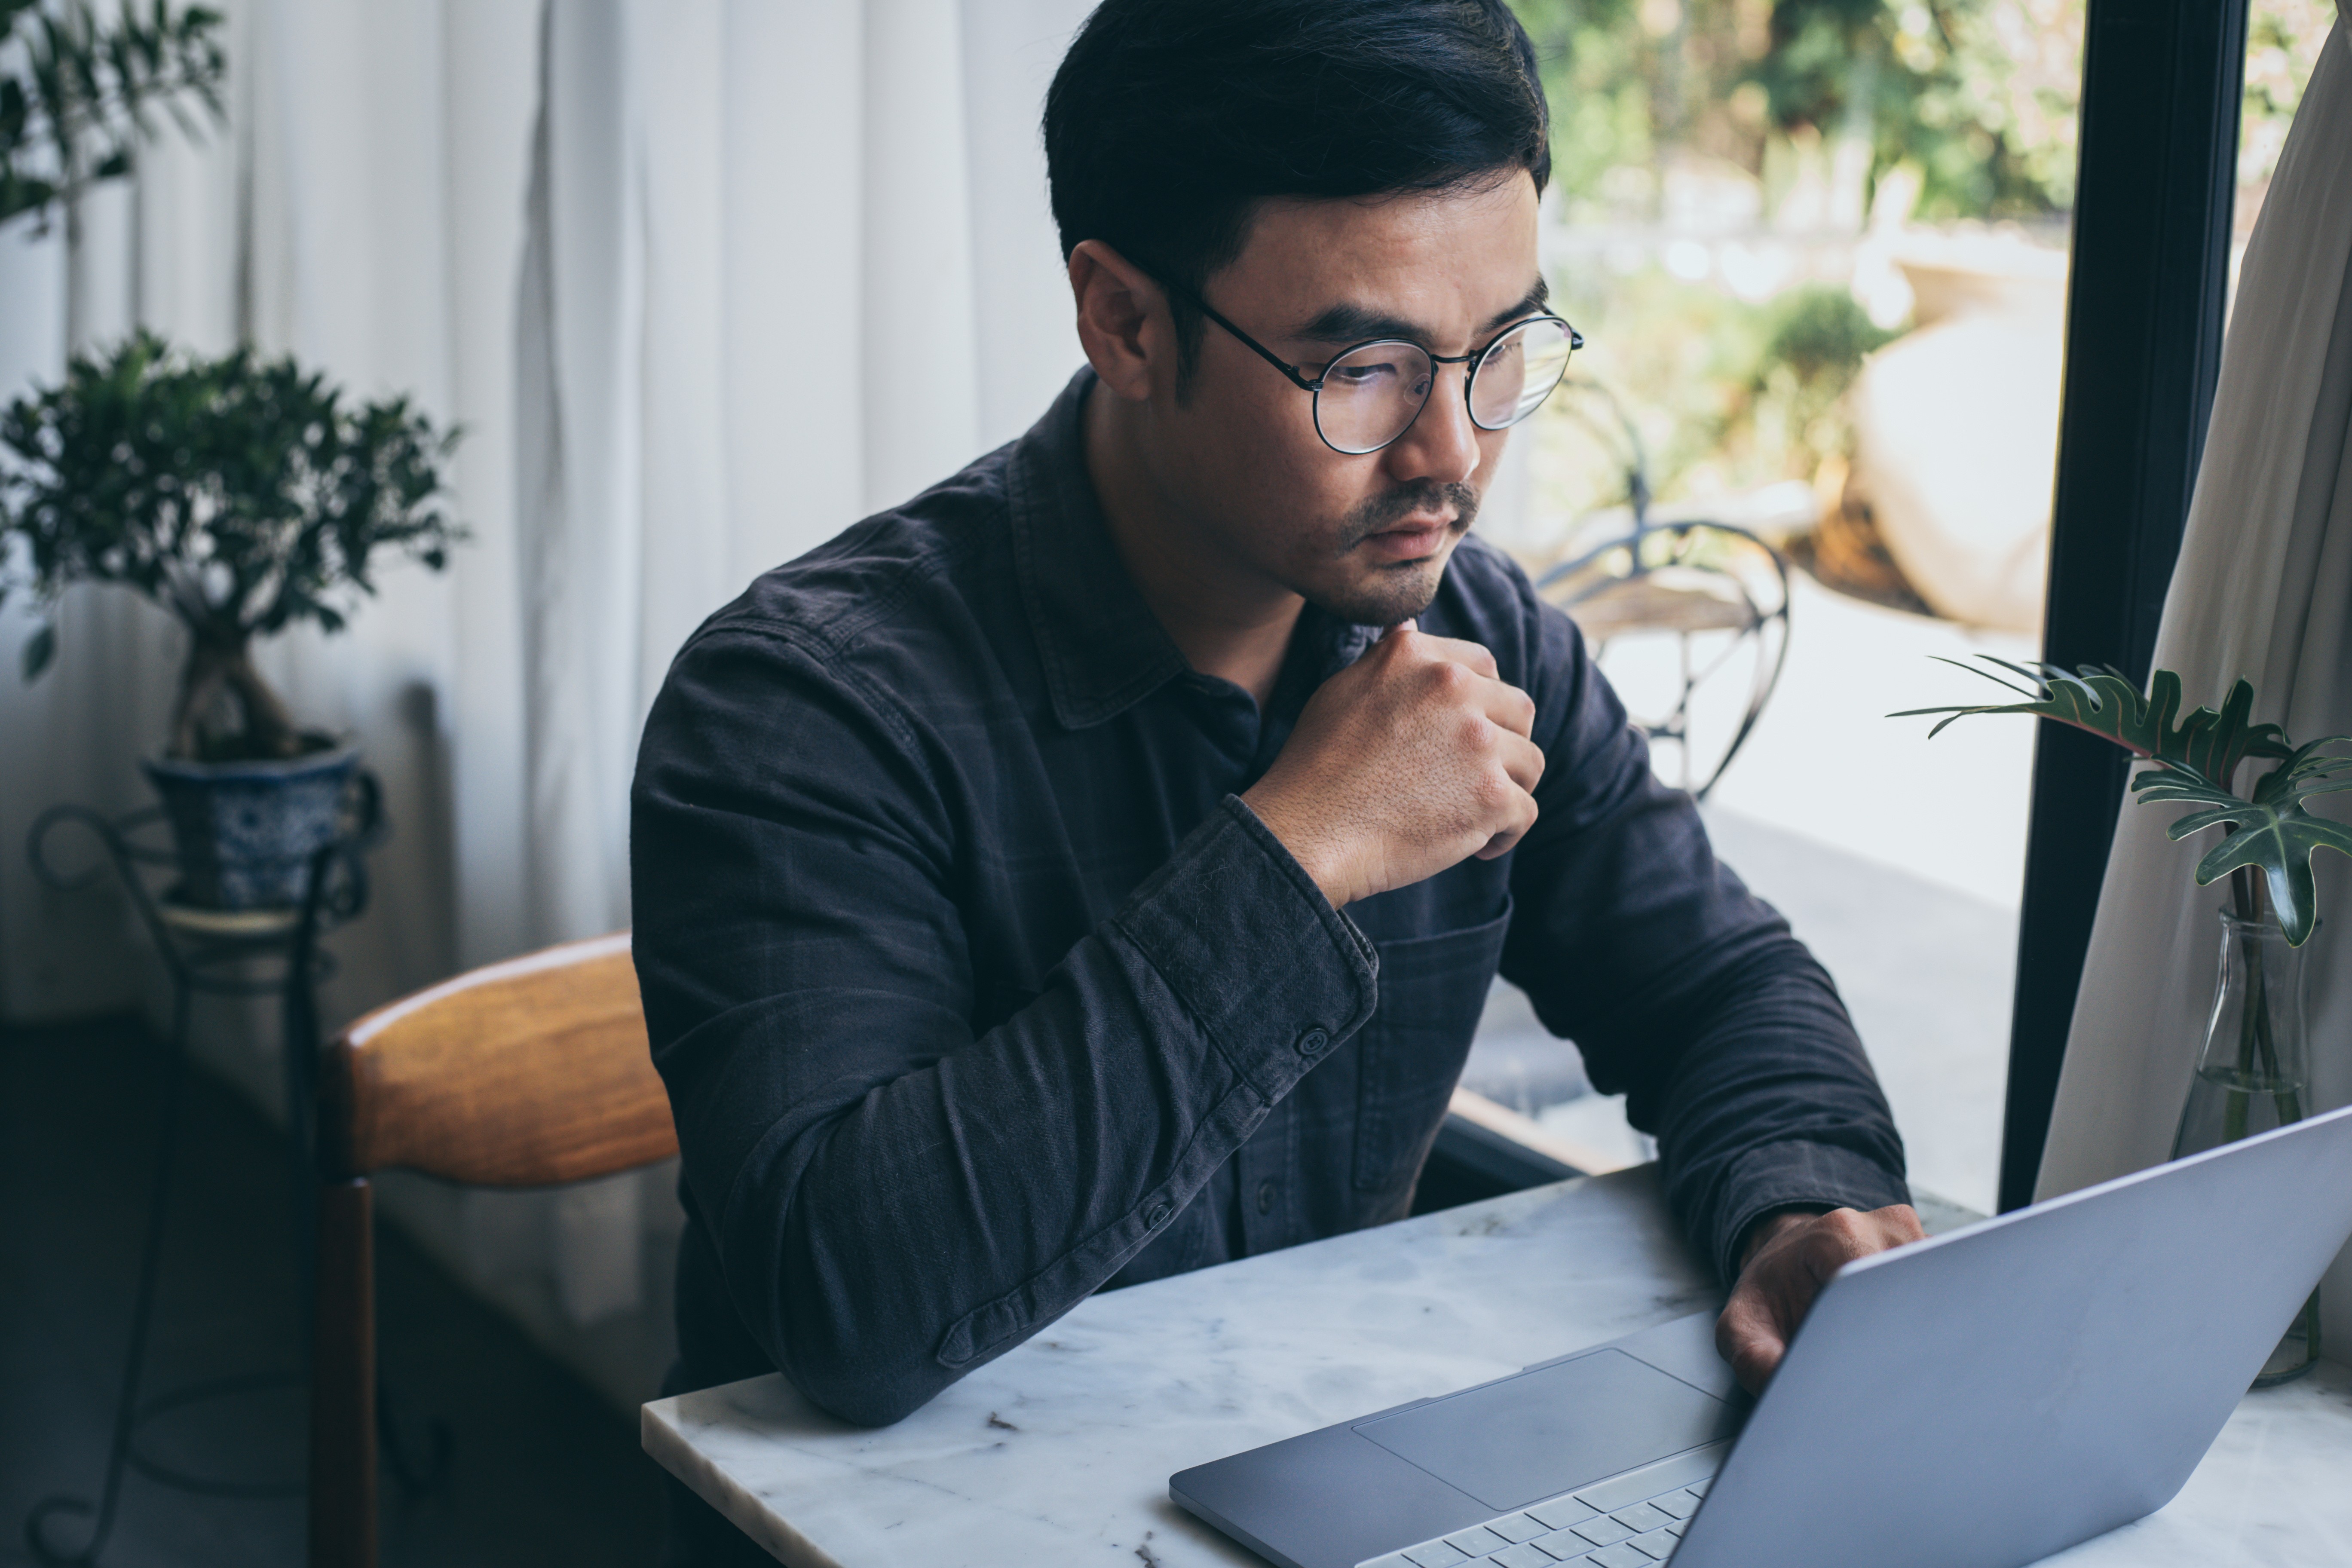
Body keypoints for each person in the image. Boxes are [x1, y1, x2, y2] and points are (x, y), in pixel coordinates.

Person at [631, 0, 1923, 1558]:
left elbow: (1722, 986)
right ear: (1123, 321)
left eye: (1500, 349)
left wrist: (1799, 1209)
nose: (1453, 454)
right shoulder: (803, 704)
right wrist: (1300, 852)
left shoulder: (1482, 632)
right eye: (1367, 368)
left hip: (1318, 1498)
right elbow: (849, 1300)